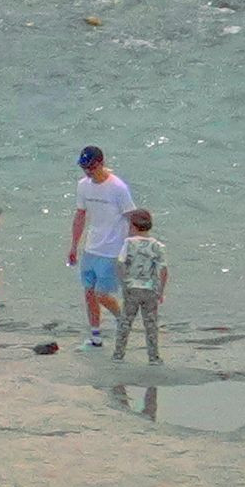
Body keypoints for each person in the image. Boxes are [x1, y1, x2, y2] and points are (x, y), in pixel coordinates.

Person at [69, 145, 134, 349]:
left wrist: (130, 249)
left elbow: (131, 218)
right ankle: (95, 336)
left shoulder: (118, 188)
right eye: (84, 167)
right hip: (91, 247)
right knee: (89, 293)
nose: (88, 171)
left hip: (112, 249)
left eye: (91, 167)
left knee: (102, 294)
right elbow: (80, 215)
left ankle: (123, 319)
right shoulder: (83, 186)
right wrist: (74, 245)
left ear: (101, 163)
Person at [112, 208, 169, 366]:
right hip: (150, 289)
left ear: (132, 225)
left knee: (125, 322)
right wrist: (161, 290)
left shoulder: (129, 243)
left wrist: (124, 283)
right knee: (151, 324)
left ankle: (118, 354)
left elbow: (120, 264)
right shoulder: (158, 246)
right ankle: (153, 357)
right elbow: (163, 270)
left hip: (132, 288)